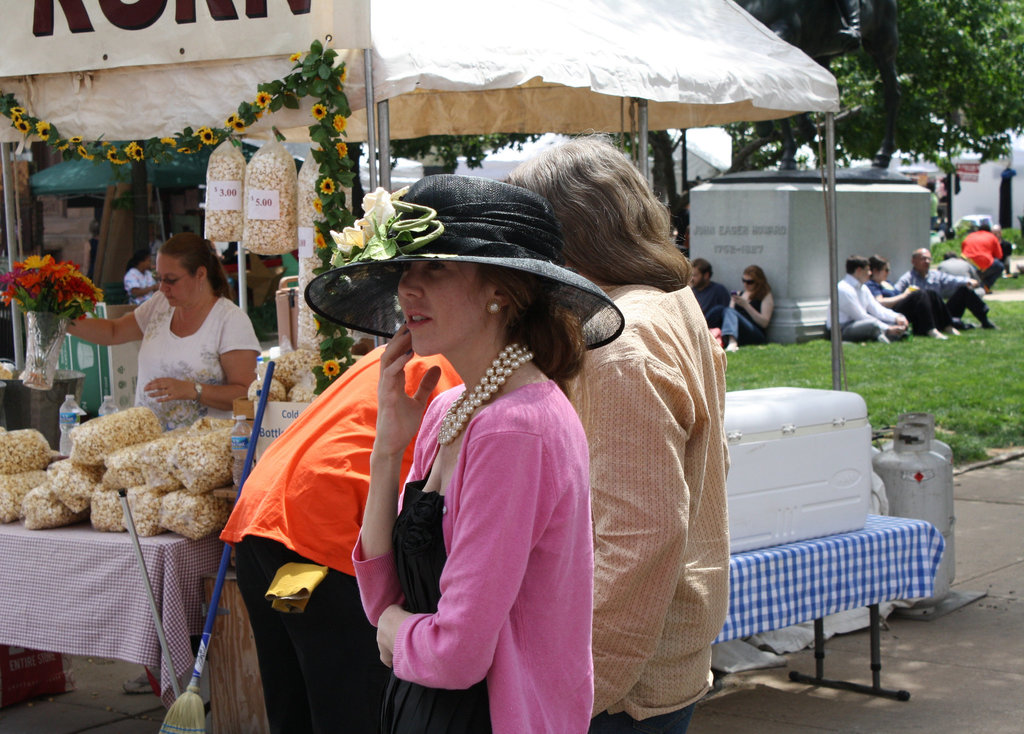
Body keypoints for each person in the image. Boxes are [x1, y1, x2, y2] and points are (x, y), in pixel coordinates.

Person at [306, 174, 625, 733]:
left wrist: (394, 633)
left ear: (500, 290)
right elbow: (383, 599)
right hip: (425, 709)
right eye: (406, 268)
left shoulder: (514, 431)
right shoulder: (450, 407)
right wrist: (387, 450)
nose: (408, 289)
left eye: (435, 268)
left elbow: (456, 653)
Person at [508, 135, 729, 734]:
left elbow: (641, 536)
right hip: (665, 647)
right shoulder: (671, 296)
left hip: (623, 684)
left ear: (566, 237)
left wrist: (579, 685)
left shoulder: (616, 344)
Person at [220, 346, 461, 734]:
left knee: (293, 702)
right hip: (317, 538)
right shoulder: (463, 376)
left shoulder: (397, 354)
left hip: (262, 521)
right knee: (350, 709)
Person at [68, 232, 260, 430]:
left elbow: (247, 393)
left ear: (200, 274)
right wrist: (62, 321)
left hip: (202, 452)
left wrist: (194, 390)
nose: (162, 288)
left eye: (171, 280)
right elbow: (113, 331)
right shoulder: (160, 305)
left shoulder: (230, 321)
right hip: (148, 444)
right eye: (158, 278)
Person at [894, 248, 997, 330]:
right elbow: (895, 293)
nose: (927, 261)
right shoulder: (907, 278)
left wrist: (967, 281)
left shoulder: (936, 275)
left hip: (940, 312)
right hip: (923, 317)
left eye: (929, 259)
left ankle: (984, 320)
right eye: (923, 258)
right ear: (913, 261)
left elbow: (952, 280)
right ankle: (954, 323)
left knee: (964, 290)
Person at [867, 254, 956, 339]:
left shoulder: (887, 283)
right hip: (891, 312)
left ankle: (947, 325)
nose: (889, 272)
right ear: (875, 271)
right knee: (920, 295)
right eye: (886, 270)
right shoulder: (872, 285)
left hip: (899, 308)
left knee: (931, 293)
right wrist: (905, 295)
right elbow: (880, 302)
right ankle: (930, 329)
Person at [828, 255, 908, 342]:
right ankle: (886, 335)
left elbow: (876, 309)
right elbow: (860, 316)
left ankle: (888, 334)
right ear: (859, 270)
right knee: (873, 324)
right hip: (842, 329)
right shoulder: (843, 289)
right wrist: (888, 328)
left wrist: (897, 317)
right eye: (867, 270)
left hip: (859, 324)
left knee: (890, 323)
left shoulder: (863, 288)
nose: (870, 273)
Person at [704, 264, 774, 352]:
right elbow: (729, 316)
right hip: (738, 330)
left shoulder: (765, 295)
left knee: (729, 311)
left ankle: (733, 342)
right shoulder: (740, 293)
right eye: (744, 280)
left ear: (758, 282)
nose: (746, 284)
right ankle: (700, 330)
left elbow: (764, 323)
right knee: (720, 309)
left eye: (750, 282)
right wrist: (733, 303)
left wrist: (746, 305)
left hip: (755, 332)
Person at [961, 221, 1005, 289]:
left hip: (968, 262)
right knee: (1000, 266)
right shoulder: (992, 237)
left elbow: (963, 250)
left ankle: (971, 284)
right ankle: (985, 286)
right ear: (990, 231)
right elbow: (999, 256)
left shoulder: (970, 236)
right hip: (984, 263)